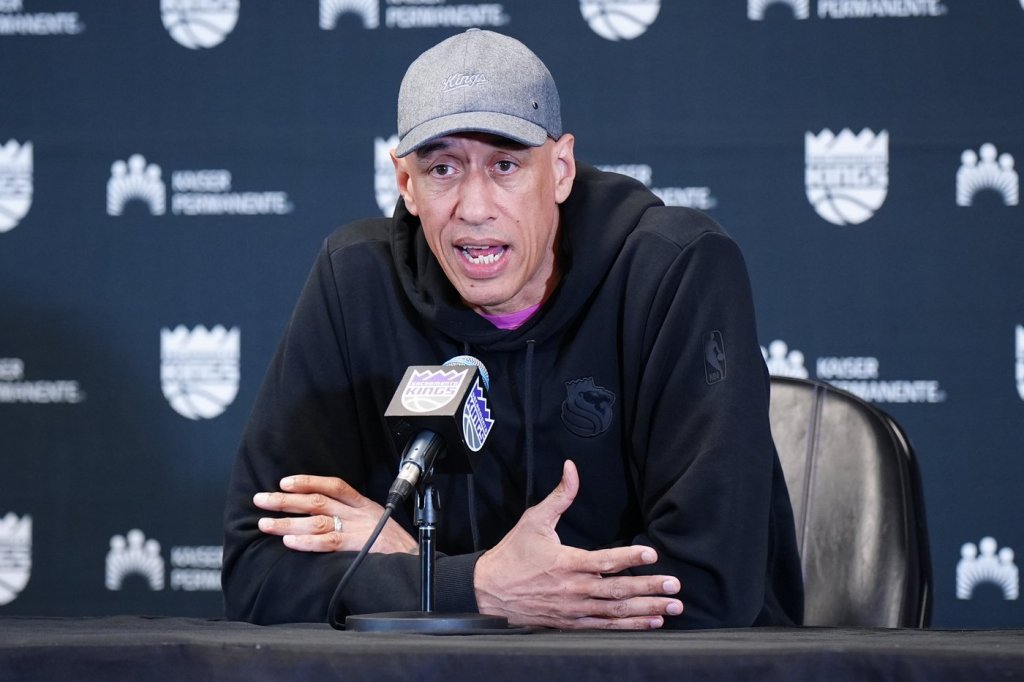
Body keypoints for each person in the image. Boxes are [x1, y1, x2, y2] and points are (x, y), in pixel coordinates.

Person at [221, 28, 804, 630]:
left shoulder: (674, 270)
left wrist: (423, 574)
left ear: (560, 169)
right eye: (442, 168)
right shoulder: (355, 284)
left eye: (505, 165)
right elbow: (257, 575)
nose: (475, 208)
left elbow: (707, 586)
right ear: (406, 184)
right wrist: (470, 586)